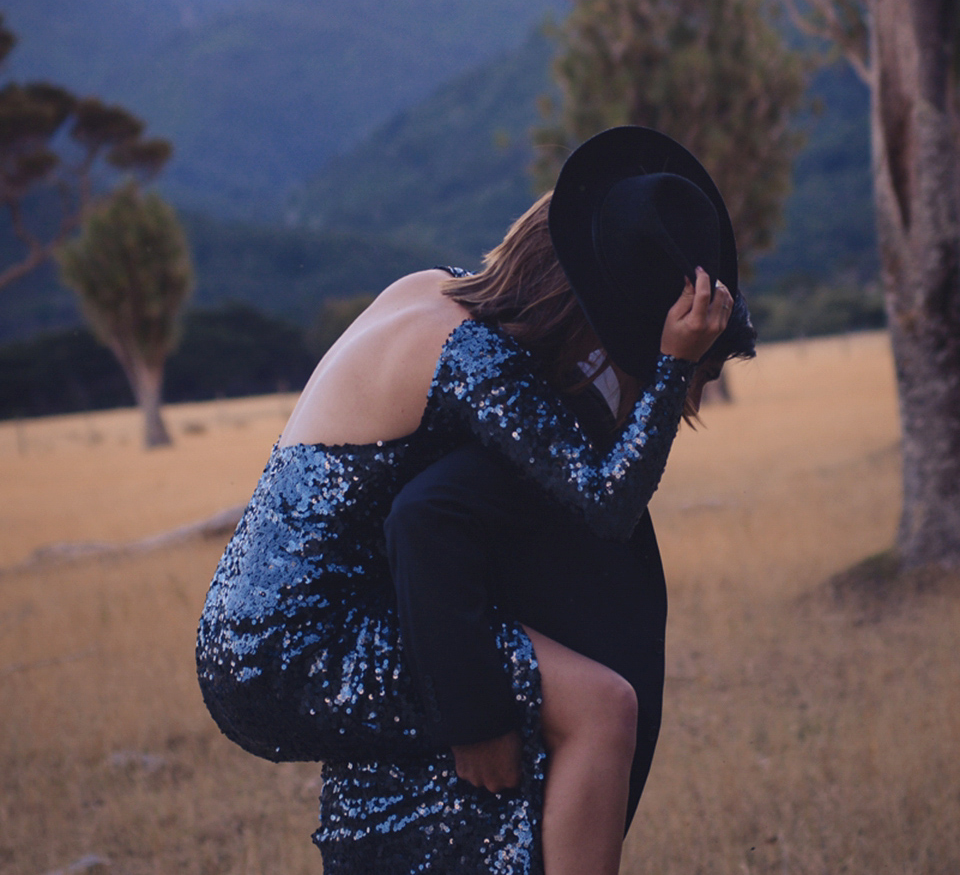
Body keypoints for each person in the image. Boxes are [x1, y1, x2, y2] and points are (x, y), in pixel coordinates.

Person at [196, 127, 756, 873]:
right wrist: (667, 370)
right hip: (292, 647)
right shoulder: (473, 359)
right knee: (599, 707)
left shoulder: (432, 292)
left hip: (253, 625)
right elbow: (605, 502)